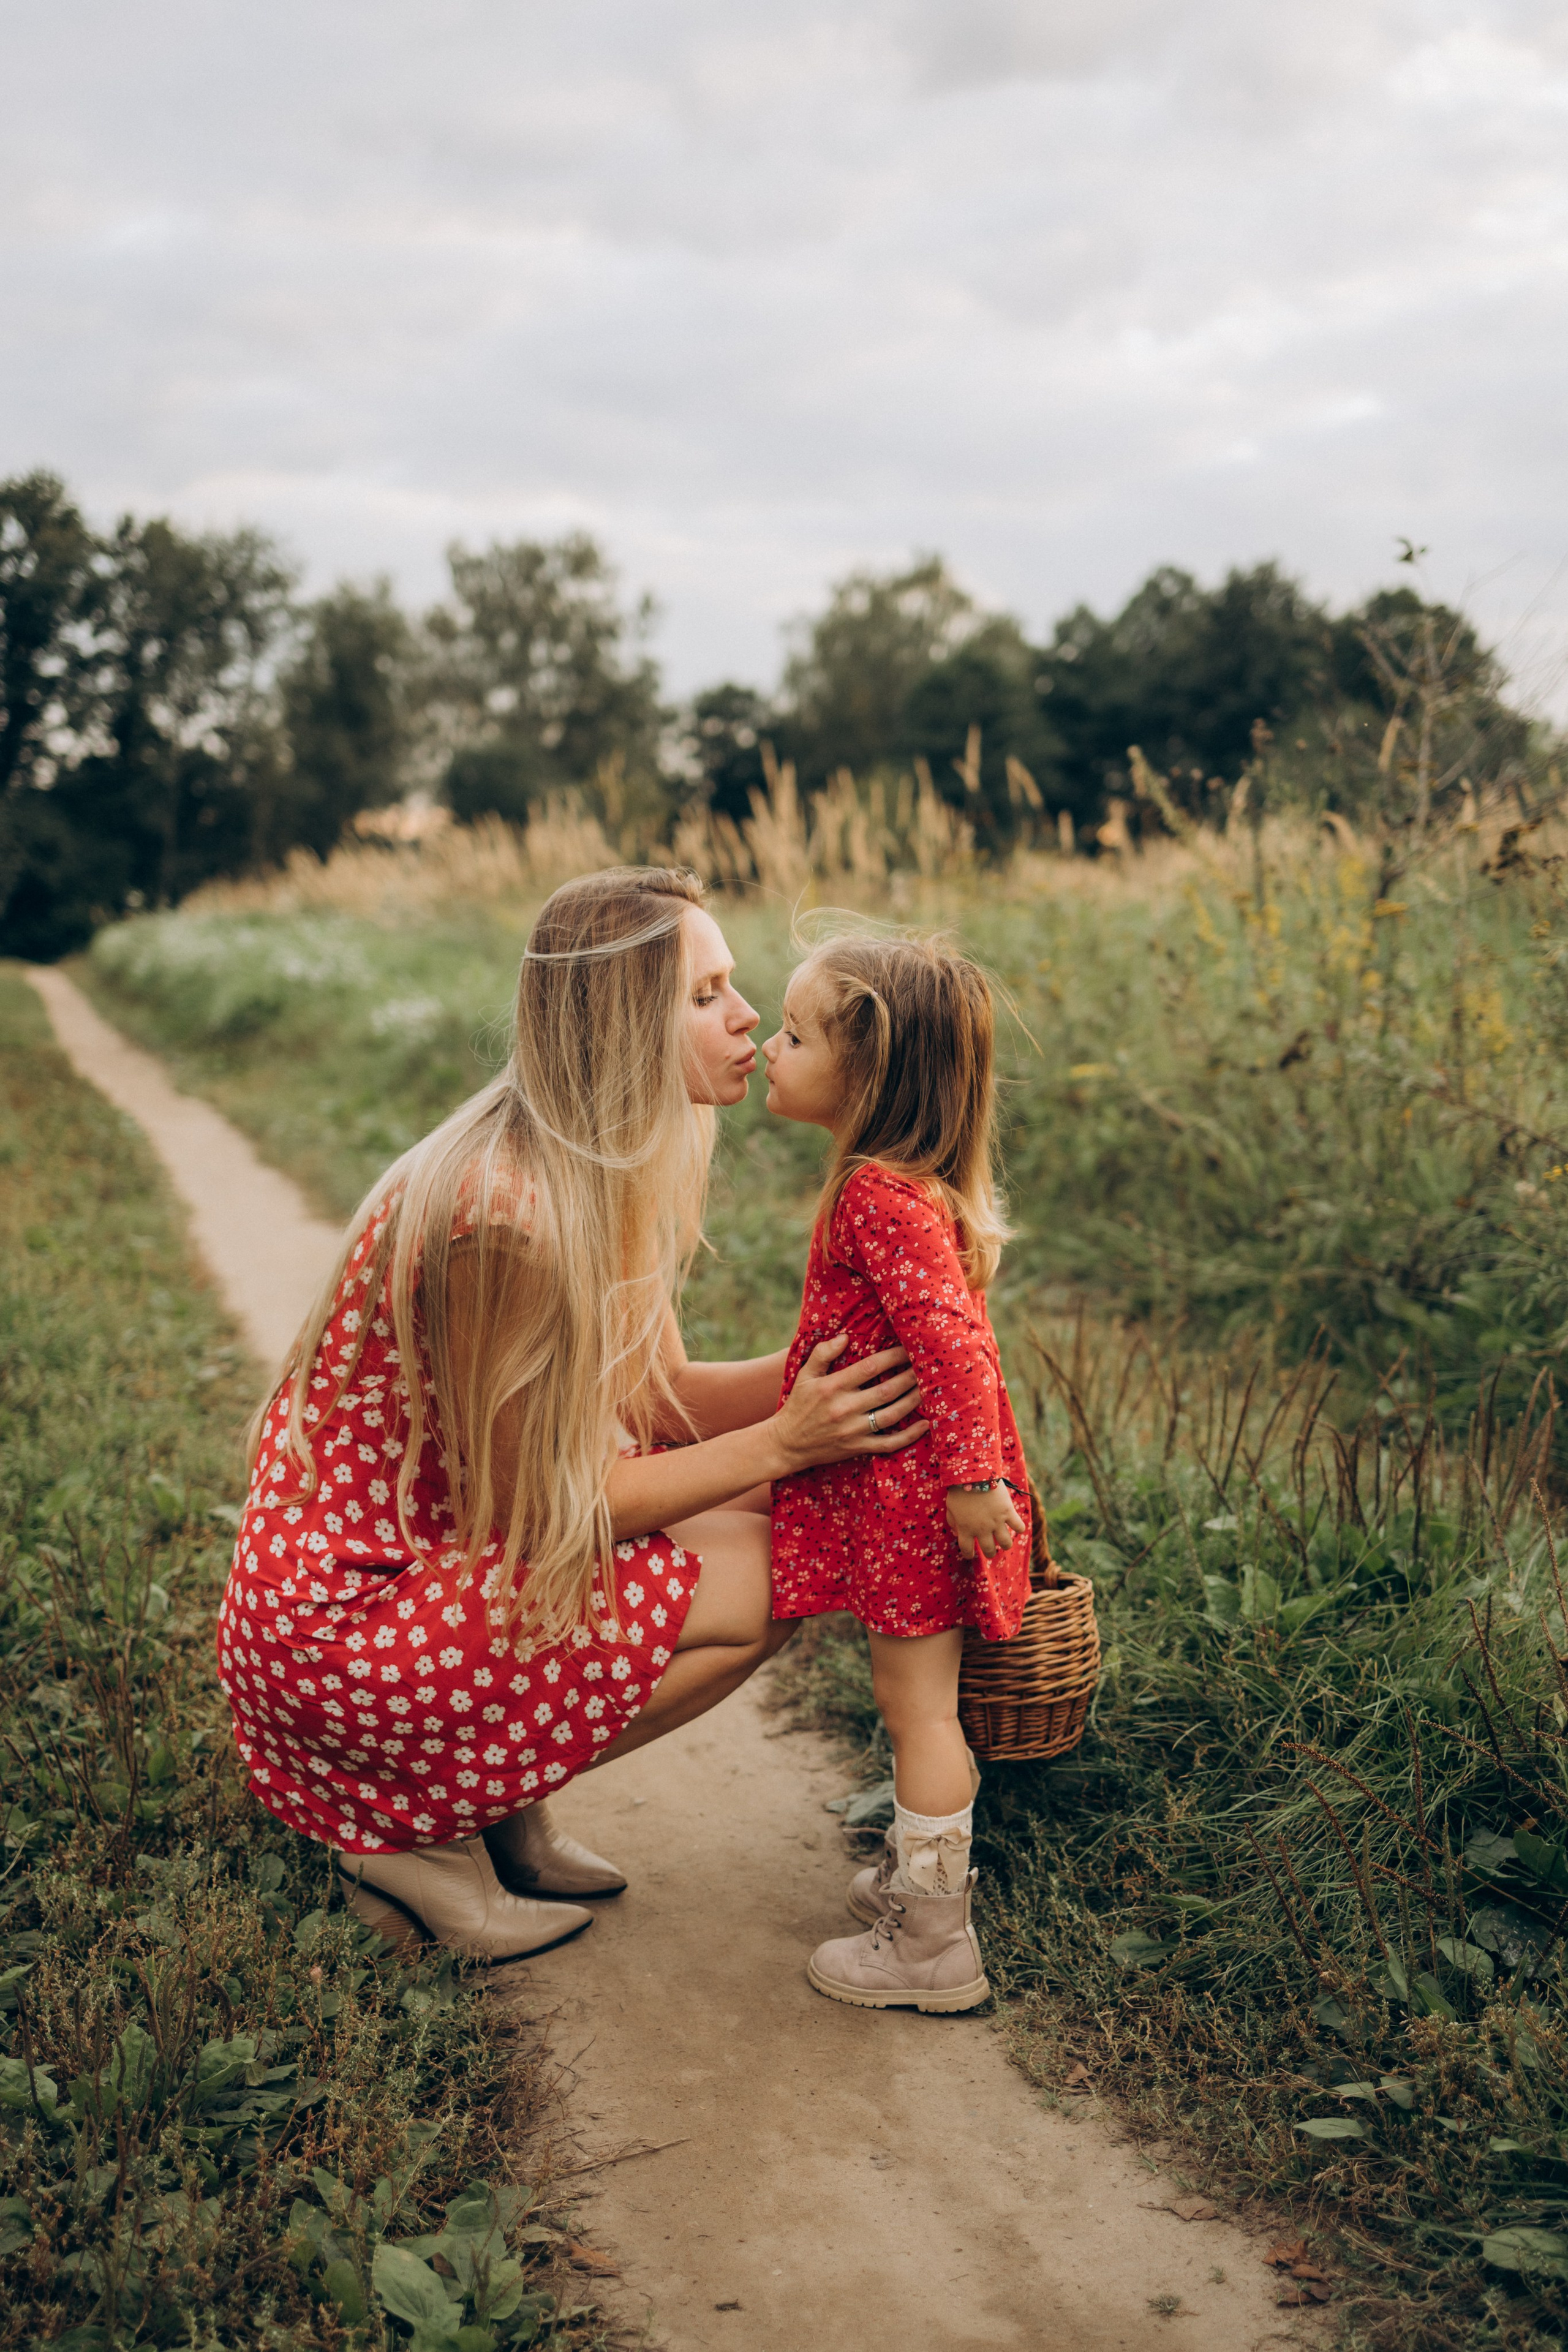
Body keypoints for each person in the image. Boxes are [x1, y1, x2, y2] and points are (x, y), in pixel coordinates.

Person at [216, 869, 930, 1961]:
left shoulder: (601, 1165)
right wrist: (788, 1440)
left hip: (428, 1563)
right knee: (778, 1562)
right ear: (622, 1026)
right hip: (346, 1628)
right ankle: (414, 1829)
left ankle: (499, 1805)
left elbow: (657, 1403)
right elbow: (553, 1517)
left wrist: (840, 1368)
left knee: (775, 1509)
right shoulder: (499, 1220)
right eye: (707, 994)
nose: (747, 1018)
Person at [762, 933, 1031, 2012]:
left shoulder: (879, 1197)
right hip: (914, 1499)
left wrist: (975, 1478)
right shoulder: (901, 1191)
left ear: (866, 1072)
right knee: (920, 1709)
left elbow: (955, 1346)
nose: (771, 1049)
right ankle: (925, 1892)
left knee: (918, 1714)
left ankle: (933, 1944)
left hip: (917, 1505)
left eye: (792, 1034)